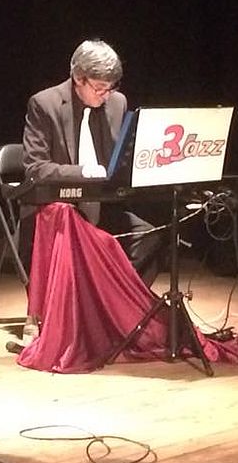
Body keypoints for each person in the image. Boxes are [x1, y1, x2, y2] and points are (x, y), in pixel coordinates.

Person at [20, 39, 168, 286]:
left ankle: (116, 303)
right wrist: (84, 172)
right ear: (79, 78)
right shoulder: (44, 104)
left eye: (111, 87)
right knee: (73, 238)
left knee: (151, 238)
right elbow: (35, 168)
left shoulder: (117, 102)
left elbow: (123, 158)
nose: (106, 95)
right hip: (59, 209)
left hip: (102, 206)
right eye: (100, 88)